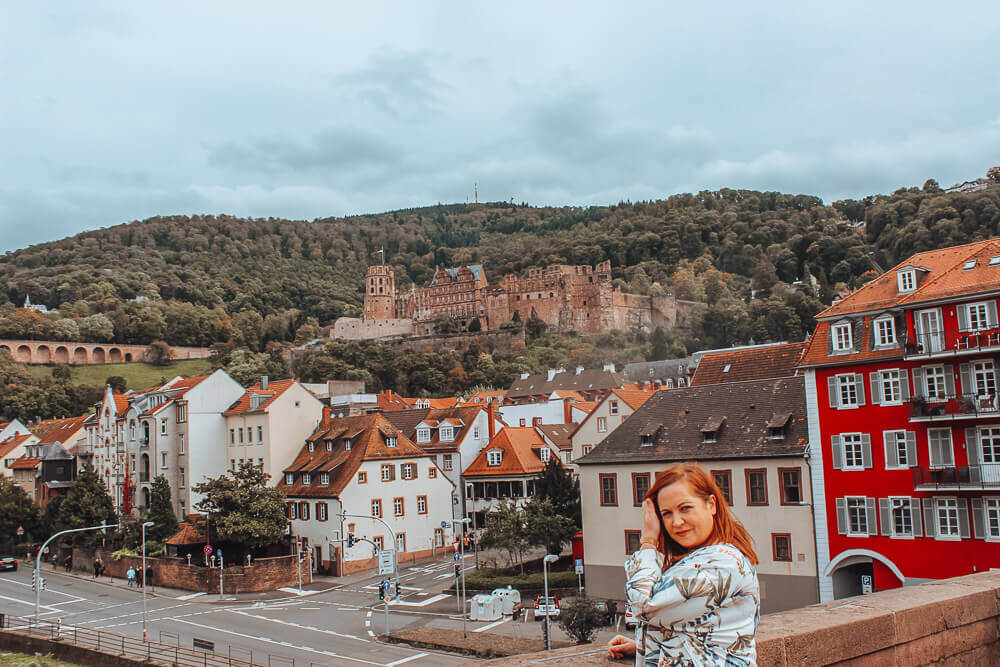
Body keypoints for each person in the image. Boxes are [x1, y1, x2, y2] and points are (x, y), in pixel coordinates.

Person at [607, 462, 760, 665]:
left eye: (685, 508)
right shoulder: (704, 558)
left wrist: (649, 540)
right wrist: (645, 646)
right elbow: (701, 630)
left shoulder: (723, 564)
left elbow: (645, 606)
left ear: (711, 505)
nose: (677, 522)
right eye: (666, 513)